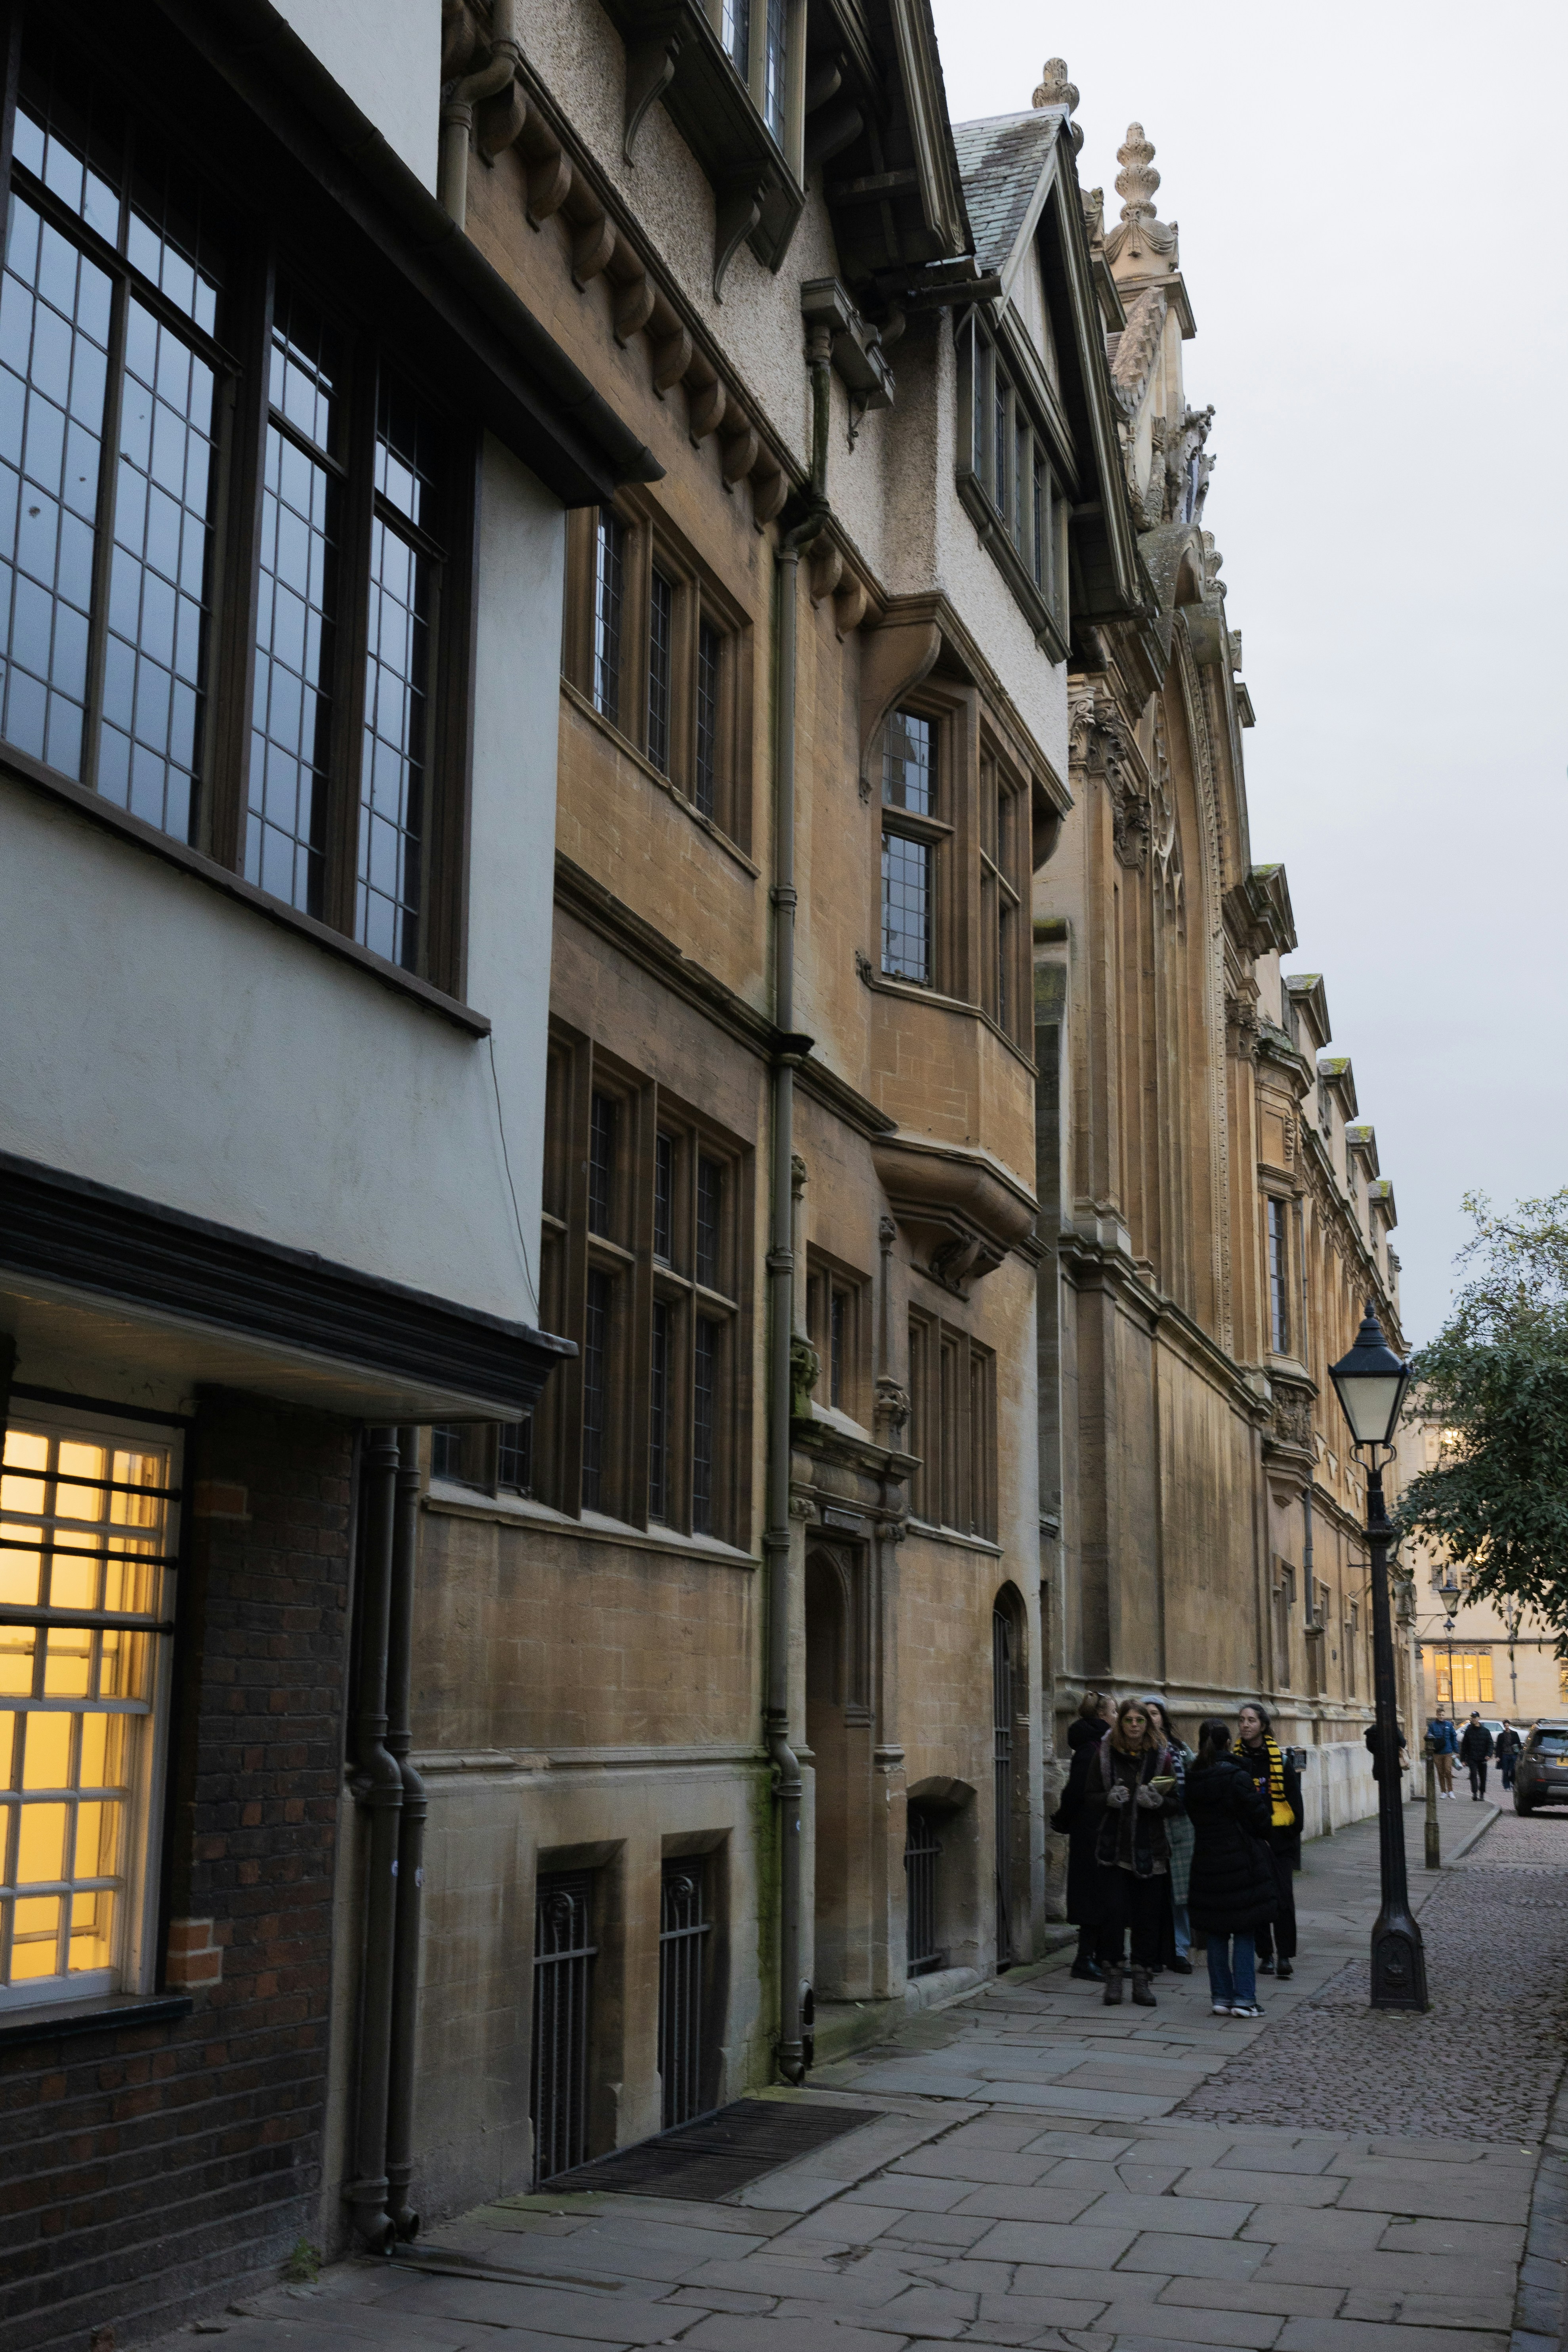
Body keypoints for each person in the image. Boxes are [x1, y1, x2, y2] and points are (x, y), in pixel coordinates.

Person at [1081, 1697, 1180, 2008]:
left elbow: (1177, 1802)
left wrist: (1158, 1802)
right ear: (1120, 1723)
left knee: (1147, 1918)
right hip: (1114, 1849)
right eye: (1129, 1720)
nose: (1135, 1725)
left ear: (1148, 1724)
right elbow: (1089, 1796)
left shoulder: (1161, 1756)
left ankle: (1141, 1979)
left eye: (1140, 1720)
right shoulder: (1105, 1755)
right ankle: (1113, 1979)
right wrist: (1108, 1799)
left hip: (1150, 1850)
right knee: (1112, 1914)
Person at [1185, 1718, 1277, 2018]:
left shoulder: (1194, 1778)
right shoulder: (1237, 1776)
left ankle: (1221, 1997)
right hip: (1240, 1861)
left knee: (1216, 1931)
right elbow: (1261, 1819)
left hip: (1206, 1861)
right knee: (1243, 1928)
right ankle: (1244, 1998)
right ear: (1228, 1743)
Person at [1052, 1691, 1117, 1980]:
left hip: (1098, 1829)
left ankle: (1104, 1956)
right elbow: (1075, 1791)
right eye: (1114, 1712)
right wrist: (1064, 1820)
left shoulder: (1102, 1745)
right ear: (1103, 1715)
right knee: (1092, 1895)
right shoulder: (1092, 1749)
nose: (1118, 1717)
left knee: (1103, 1894)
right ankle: (1083, 1959)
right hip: (1091, 1831)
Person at [1237, 1702, 1303, 1979]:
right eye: (1241, 1720)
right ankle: (1265, 1954)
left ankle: (1284, 1955)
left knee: (1283, 1898)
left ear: (1262, 1725)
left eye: (1251, 1720)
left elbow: (1294, 1803)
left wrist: (1287, 1837)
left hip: (1278, 1842)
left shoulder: (1280, 1760)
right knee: (1257, 1900)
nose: (1245, 1725)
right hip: (1250, 1841)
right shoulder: (1236, 1760)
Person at [1142, 1697, 1195, 1974]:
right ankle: (1153, 1951)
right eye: (1145, 1714)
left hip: (1179, 1826)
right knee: (1152, 1894)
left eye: (1155, 1713)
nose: (1151, 1719)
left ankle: (1179, 1950)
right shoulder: (1137, 1750)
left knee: (1180, 1895)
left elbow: (1193, 1781)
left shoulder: (1179, 1749)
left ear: (1162, 1716)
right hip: (1150, 1826)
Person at [1459, 1711, 1494, 1800]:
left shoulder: (1485, 1731)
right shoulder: (1469, 1731)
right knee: (1473, 1775)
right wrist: (1463, 1759)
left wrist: (1489, 1755)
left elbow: (1490, 1744)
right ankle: (1475, 1793)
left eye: (1475, 1717)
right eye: (1472, 1717)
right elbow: (1464, 1746)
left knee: (1483, 1777)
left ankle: (1482, 1794)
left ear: (1479, 1719)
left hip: (1483, 1758)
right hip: (1472, 1758)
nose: (1473, 1719)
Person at [1428, 1710, 1459, 1797]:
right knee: (1441, 1772)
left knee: (1448, 1771)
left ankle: (1451, 1791)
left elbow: (1454, 1738)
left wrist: (1457, 1751)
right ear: (1437, 1715)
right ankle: (1443, 1791)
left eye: (1443, 1715)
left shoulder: (1449, 1725)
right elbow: (1429, 1737)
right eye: (1440, 1715)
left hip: (1448, 1752)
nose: (1441, 1716)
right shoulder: (1433, 1726)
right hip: (1437, 1753)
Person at [1496, 1722, 1522, 1790]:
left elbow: (1519, 1744)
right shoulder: (1501, 1736)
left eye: (1508, 1726)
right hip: (1505, 1755)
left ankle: (1512, 1782)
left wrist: (1519, 1753)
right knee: (1505, 1771)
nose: (1507, 1727)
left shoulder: (1514, 1734)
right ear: (1504, 1727)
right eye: (1506, 1726)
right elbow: (1498, 1747)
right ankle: (1506, 1786)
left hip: (1513, 1754)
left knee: (1513, 1770)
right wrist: (1498, 1756)